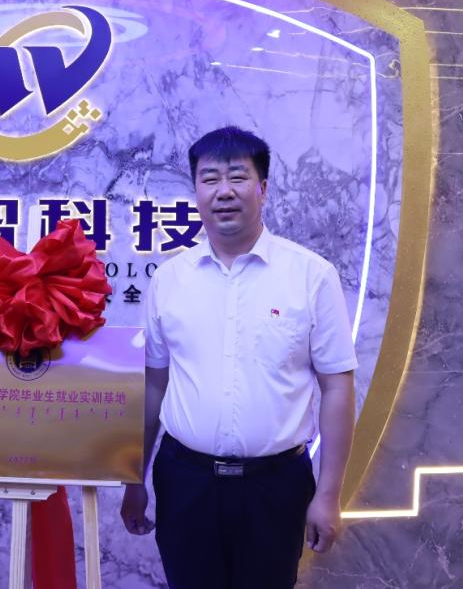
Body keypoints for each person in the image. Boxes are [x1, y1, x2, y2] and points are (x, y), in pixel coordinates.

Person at [120, 126, 357, 588]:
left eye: (237, 177)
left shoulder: (311, 276)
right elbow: (153, 386)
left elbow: (336, 387)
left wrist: (329, 494)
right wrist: (134, 479)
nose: (223, 191)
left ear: (262, 189)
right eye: (209, 179)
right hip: (186, 481)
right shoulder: (169, 280)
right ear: (196, 192)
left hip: (275, 485)